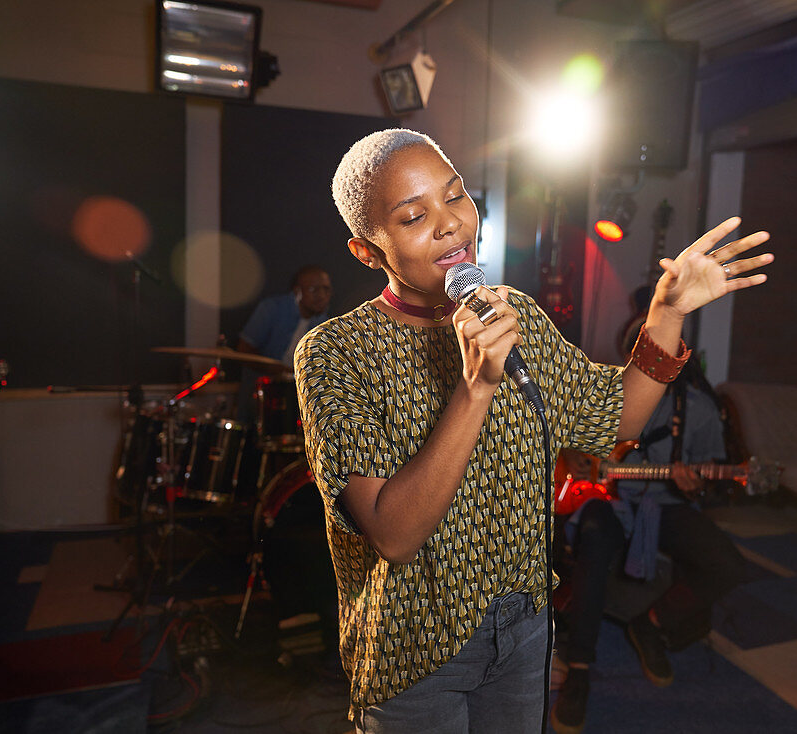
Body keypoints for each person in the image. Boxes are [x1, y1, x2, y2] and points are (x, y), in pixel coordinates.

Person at [294, 128, 772, 733]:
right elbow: (394, 534)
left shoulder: (516, 314)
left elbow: (613, 418)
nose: (450, 225)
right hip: (413, 642)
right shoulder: (337, 352)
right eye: (415, 216)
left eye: (456, 196)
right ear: (368, 251)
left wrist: (666, 313)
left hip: (523, 626)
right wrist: (475, 389)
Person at [551, 358, 747, 734]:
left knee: (729, 565)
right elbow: (560, 434)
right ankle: (579, 668)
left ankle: (651, 624)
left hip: (665, 505)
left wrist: (697, 485)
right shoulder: (605, 393)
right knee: (594, 536)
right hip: (607, 502)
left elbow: (711, 477)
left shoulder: (700, 410)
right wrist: (571, 453)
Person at [235, 265, 332, 423]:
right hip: (260, 397)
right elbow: (243, 351)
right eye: (314, 289)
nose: (322, 295)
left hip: (298, 400)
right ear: (297, 292)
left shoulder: (323, 321)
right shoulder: (271, 309)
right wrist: (277, 369)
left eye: (326, 289)